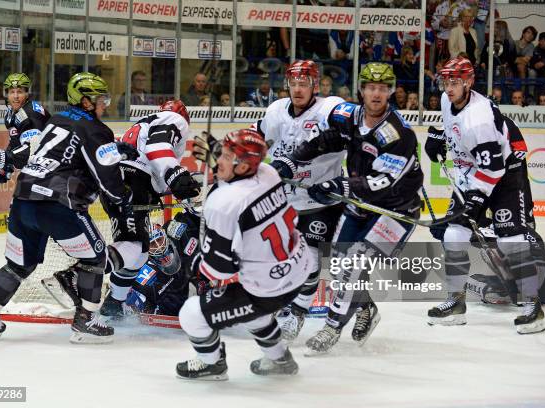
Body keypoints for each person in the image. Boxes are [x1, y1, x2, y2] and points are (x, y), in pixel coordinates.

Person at [0, 72, 139, 343]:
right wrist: (124, 199)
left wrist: (3, 159)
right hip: (59, 204)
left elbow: (36, 151)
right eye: (99, 98)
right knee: (95, 259)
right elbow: (108, 180)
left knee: (18, 265)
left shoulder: (56, 120)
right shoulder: (97, 129)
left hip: (23, 199)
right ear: (85, 101)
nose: (104, 103)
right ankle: (86, 322)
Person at [276, 62, 423, 355]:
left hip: (397, 211)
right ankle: (365, 307)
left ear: (391, 91)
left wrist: (339, 186)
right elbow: (327, 139)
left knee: (354, 263)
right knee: (342, 266)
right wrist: (294, 160)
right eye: (371, 88)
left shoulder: (398, 133)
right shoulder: (350, 115)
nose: (376, 94)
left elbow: (383, 180)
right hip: (361, 205)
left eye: (382, 88)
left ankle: (331, 326)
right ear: (361, 89)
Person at [175, 129, 311, 380]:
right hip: (300, 268)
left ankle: (211, 364)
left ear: (245, 165)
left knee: (192, 313)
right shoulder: (268, 173)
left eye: (228, 156)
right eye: (223, 153)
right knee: (248, 309)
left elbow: (219, 270)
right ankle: (279, 359)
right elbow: (244, 173)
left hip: (269, 288)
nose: (220, 160)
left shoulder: (223, 202)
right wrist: (220, 154)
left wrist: (195, 263)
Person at [424, 57, 545, 334]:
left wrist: (477, 198)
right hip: (472, 172)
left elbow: (493, 167)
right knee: (454, 233)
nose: (449, 87)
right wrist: (439, 137)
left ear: (468, 82)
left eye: (456, 82)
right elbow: (453, 126)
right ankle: (456, 302)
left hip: (504, 174)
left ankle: (532, 306)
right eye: (446, 82)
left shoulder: (478, 118)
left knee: (511, 238)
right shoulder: (447, 100)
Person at [248, 60, 345, 343]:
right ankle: (364, 306)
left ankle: (297, 314)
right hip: (287, 201)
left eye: (304, 83)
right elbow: (256, 136)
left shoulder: (330, 108)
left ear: (316, 85)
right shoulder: (276, 110)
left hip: (322, 200)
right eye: (293, 84)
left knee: (311, 260)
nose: (298, 89)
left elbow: (352, 126)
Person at [98, 99, 201, 318]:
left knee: (138, 253)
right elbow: (158, 148)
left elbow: (155, 173)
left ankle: (114, 304)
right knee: (135, 246)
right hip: (132, 185)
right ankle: (81, 274)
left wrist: (172, 183)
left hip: (118, 182)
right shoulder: (175, 119)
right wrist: (176, 175)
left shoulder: (145, 124)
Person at [0, 73, 51, 183]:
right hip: (41, 170)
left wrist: (3, 157)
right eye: (12, 92)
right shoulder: (11, 114)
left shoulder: (30, 113)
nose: (15, 96)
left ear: (27, 94)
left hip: (53, 172)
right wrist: (6, 165)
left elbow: (33, 150)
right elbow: (16, 142)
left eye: (20, 92)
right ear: (6, 94)